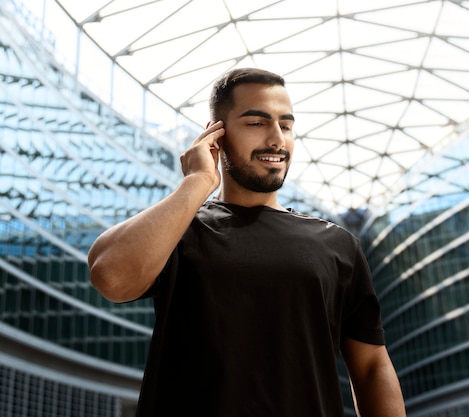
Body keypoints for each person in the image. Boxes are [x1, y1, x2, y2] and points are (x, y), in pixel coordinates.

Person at [88, 67, 406, 417]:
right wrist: (197, 182)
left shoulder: (337, 244)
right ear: (216, 136)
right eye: (257, 123)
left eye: (285, 125)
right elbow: (112, 277)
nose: (276, 140)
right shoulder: (178, 231)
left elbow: (372, 366)